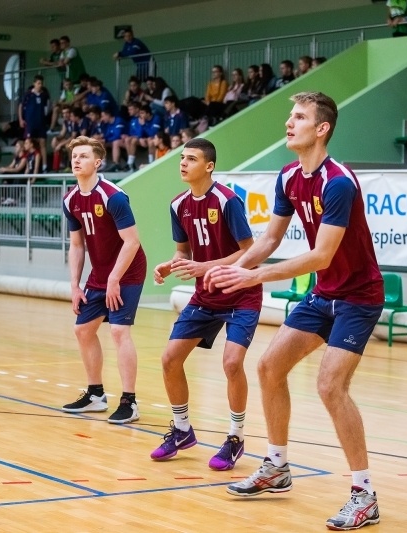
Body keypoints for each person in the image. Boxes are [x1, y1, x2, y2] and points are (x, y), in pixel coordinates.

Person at [204, 91, 384, 531]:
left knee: (330, 386)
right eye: (290, 115)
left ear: (321, 129)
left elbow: (322, 254)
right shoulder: (288, 176)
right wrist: (231, 268)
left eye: (299, 117)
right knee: (269, 367)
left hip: (358, 297)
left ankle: (364, 494)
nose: (289, 122)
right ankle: (277, 467)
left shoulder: (338, 182)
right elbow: (267, 241)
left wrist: (254, 278)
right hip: (323, 295)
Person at [150, 138, 262, 469]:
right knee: (170, 359)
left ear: (209, 166)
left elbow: (249, 251)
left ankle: (235, 438)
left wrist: (206, 267)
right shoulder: (177, 204)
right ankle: (182, 430)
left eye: (191, 159)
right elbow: (184, 251)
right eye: (182, 158)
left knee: (231, 364)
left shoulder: (228, 201)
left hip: (242, 293)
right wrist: (171, 265)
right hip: (206, 295)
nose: (183, 163)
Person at [61, 136, 147, 424]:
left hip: (128, 270)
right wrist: (75, 284)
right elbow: (77, 245)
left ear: (97, 162)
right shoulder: (70, 199)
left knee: (119, 332)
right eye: (74, 156)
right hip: (100, 274)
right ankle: (96, 395)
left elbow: (132, 242)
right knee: (83, 330)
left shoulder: (113, 196)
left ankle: (129, 402)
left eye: (83, 156)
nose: (77, 160)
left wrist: (114, 278)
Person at [19, 75, 51, 173]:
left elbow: (48, 107)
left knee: (42, 144)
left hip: (41, 123)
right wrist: (21, 119)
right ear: (34, 83)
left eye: (41, 83)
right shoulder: (28, 95)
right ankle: (28, 166)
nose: (40, 85)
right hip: (30, 124)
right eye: (38, 83)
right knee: (28, 144)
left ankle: (45, 166)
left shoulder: (44, 95)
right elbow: (20, 106)